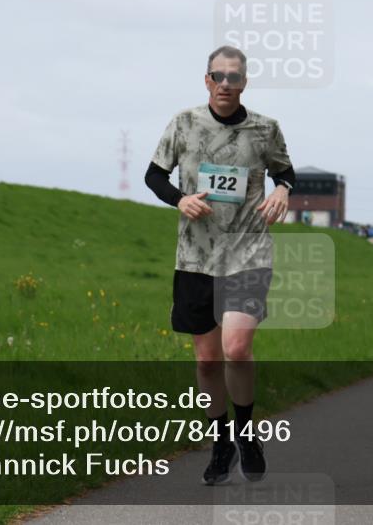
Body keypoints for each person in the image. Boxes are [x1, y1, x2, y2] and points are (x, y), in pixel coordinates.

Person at [144, 45, 295, 484]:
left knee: (236, 349)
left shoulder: (265, 129)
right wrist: (180, 199)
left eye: (234, 77)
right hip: (196, 256)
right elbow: (154, 175)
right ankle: (220, 442)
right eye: (218, 76)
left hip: (248, 252)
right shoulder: (183, 123)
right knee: (208, 361)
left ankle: (247, 433)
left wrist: (282, 190)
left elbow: (286, 171)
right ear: (206, 80)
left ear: (244, 82)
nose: (226, 84)